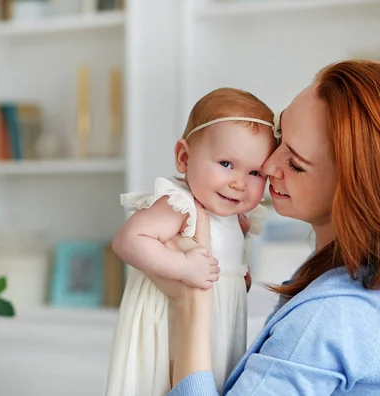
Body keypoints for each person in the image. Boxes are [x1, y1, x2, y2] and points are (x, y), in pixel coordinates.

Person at [163, 60, 380, 395]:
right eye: (279, 136)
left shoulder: (331, 315)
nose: (267, 166)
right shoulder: (368, 287)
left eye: (295, 164)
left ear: (358, 192)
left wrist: (193, 302)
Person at [104, 87, 278, 396]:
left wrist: (239, 275)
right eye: (226, 164)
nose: (239, 182)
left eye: (254, 172)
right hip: (173, 326)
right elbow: (128, 240)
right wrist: (183, 266)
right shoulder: (179, 204)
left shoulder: (235, 218)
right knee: (169, 380)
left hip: (217, 324)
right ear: (184, 157)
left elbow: (224, 266)